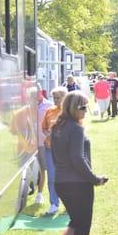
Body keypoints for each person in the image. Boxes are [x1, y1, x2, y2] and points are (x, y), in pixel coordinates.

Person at [47, 91, 108, 235]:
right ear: (74, 108)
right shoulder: (76, 128)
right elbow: (77, 158)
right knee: (82, 228)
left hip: (61, 183)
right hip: (78, 185)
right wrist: (95, 179)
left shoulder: (57, 126)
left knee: (75, 221)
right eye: (83, 108)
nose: (85, 111)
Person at [42, 86, 68, 215]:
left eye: (58, 98)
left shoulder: (70, 111)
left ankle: (69, 202)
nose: (55, 100)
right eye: (54, 98)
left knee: (67, 176)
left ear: (65, 98)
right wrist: (49, 133)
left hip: (66, 150)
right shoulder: (49, 111)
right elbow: (44, 128)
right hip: (50, 148)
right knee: (52, 176)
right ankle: (54, 203)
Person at [36, 84, 54, 205]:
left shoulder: (48, 106)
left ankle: (39, 194)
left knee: (43, 169)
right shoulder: (26, 106)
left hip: (42, 142)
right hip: (27, 144)